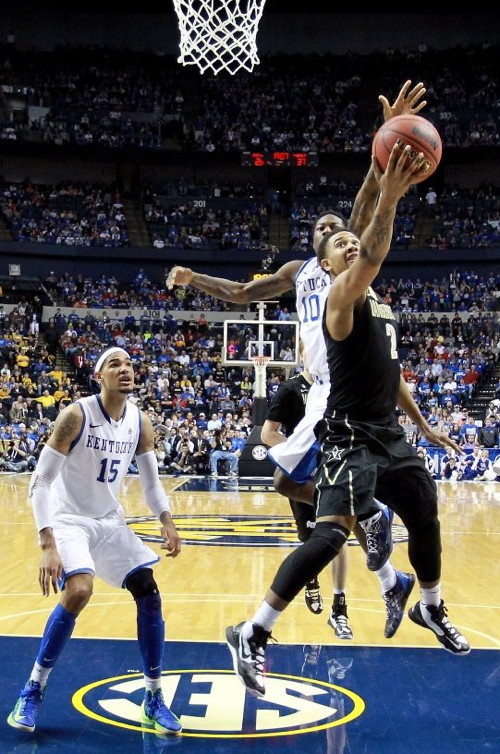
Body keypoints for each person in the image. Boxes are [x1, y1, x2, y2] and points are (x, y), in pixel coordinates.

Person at [167, 82, 429, 641]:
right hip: (318, 386)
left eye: (340, 228)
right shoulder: (297, 272)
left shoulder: (346, 267)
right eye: (323, 228)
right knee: (290, 484)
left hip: (342, 382)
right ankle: (389, 575)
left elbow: (368, 198)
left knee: (317, 498)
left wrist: (384, 139)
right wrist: (194, 279)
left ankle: (370, 535)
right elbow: (242, 294)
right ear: (313, 242)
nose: (334, 230)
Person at [224, 143, 470, 697]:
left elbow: (392, 372)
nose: (348, 242)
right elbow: (372, 244)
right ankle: (253, 630)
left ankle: (429, 605)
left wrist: (422, 424)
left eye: (350, 239)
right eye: (338, 244)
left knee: (425, 512)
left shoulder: (379, 305)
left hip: (387, 430)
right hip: (347, 431)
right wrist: (389, 194)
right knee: (330, 533)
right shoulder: (340, 296)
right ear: (329, 266)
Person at [7, 347, 182, 735]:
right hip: (68, 519)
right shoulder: (76, 416)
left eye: (129, 363)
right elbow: (40, 481)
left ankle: (153, 698)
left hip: (108, 520)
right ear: (99, 376)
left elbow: (151, 482)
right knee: (79, 590)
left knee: (148, 591)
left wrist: (167, 520)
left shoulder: (140, 421)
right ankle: (32, 689)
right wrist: (47, 544)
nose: (125, 369)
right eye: (114, 364)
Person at [261, 350, 353, 637]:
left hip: (333, 469)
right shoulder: (291, 389)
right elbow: (267, 434)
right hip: (303, 475)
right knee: (312, 540)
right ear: (303, 353)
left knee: (338, 535)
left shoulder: (337, 385)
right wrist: (299, 455)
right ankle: (310, 579)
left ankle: (339, 607)